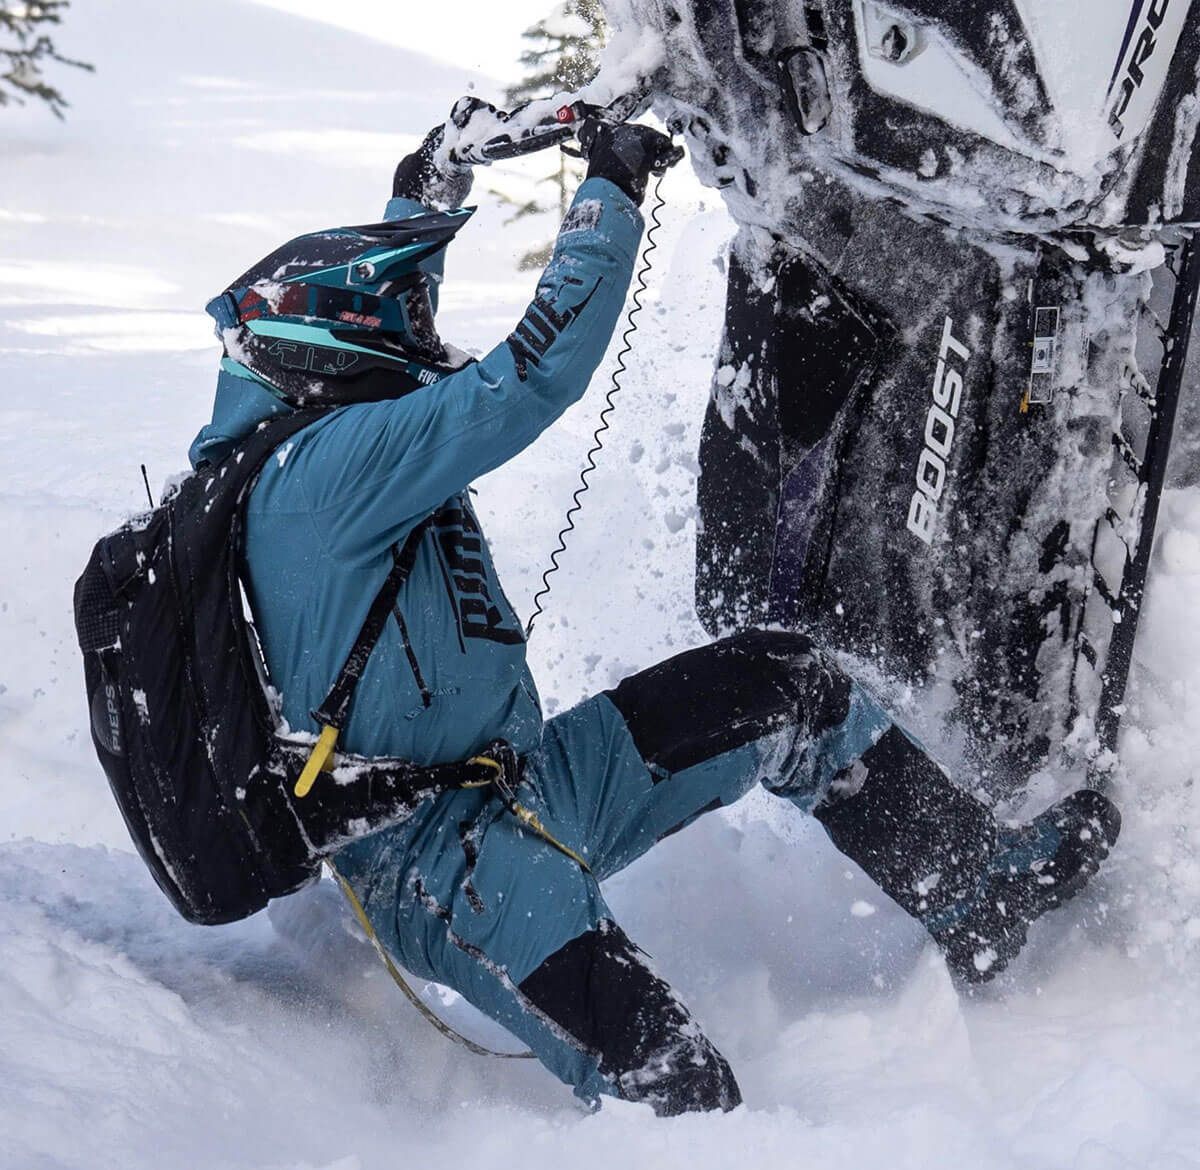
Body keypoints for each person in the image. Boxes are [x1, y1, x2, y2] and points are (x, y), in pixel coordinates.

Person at [188, 111, 1121, 1116]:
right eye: (392, 335)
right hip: (449, 874)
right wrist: (609, 194)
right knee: (682, 1096)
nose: (422, 345)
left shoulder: (302, 452)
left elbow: (384, 316)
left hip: (520, 782)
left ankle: (977, 893)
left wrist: (425, 189)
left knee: (787, 689)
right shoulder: (322, 472)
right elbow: (531, 372)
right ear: (328, 351)